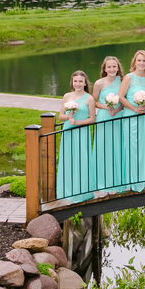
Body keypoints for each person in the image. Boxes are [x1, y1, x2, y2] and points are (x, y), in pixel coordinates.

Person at [56, 71, 96, 203]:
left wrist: (77, 122)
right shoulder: (67, 96)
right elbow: (60, 116)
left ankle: (82, 192)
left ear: (85, 83)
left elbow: (92, 119)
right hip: (68, 131)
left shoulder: (89, 98)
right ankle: (67, 192)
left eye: (80, 81)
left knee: (82, 159)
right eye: (75, 81)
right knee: (68, 159)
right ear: (72, 82)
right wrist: (68, 117)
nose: (78, 84)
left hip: (82, 131)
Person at [118, 50, 145, 191]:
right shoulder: (129, 77)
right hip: (131, 116)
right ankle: (131, 181)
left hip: (144, 116)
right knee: (132, 147)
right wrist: (134, 108)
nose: (141, 63)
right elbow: (121, 96)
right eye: (139, 60)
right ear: (134, 62)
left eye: (144, 61)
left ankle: (142, 179)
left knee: (143, 146)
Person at [91, 56, 125, 196]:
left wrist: (116, 110)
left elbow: (124, 101)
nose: (112, 69)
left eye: (114, 66)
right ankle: (102, 182)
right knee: (104, 147)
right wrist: (107, 107)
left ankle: (118, 181)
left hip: (118, 117)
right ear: (104, 69)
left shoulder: (123, 81)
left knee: (118, 146)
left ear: (118, 68)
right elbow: (93, 102)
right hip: (105, 116)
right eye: (109, 67)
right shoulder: (99, 83)